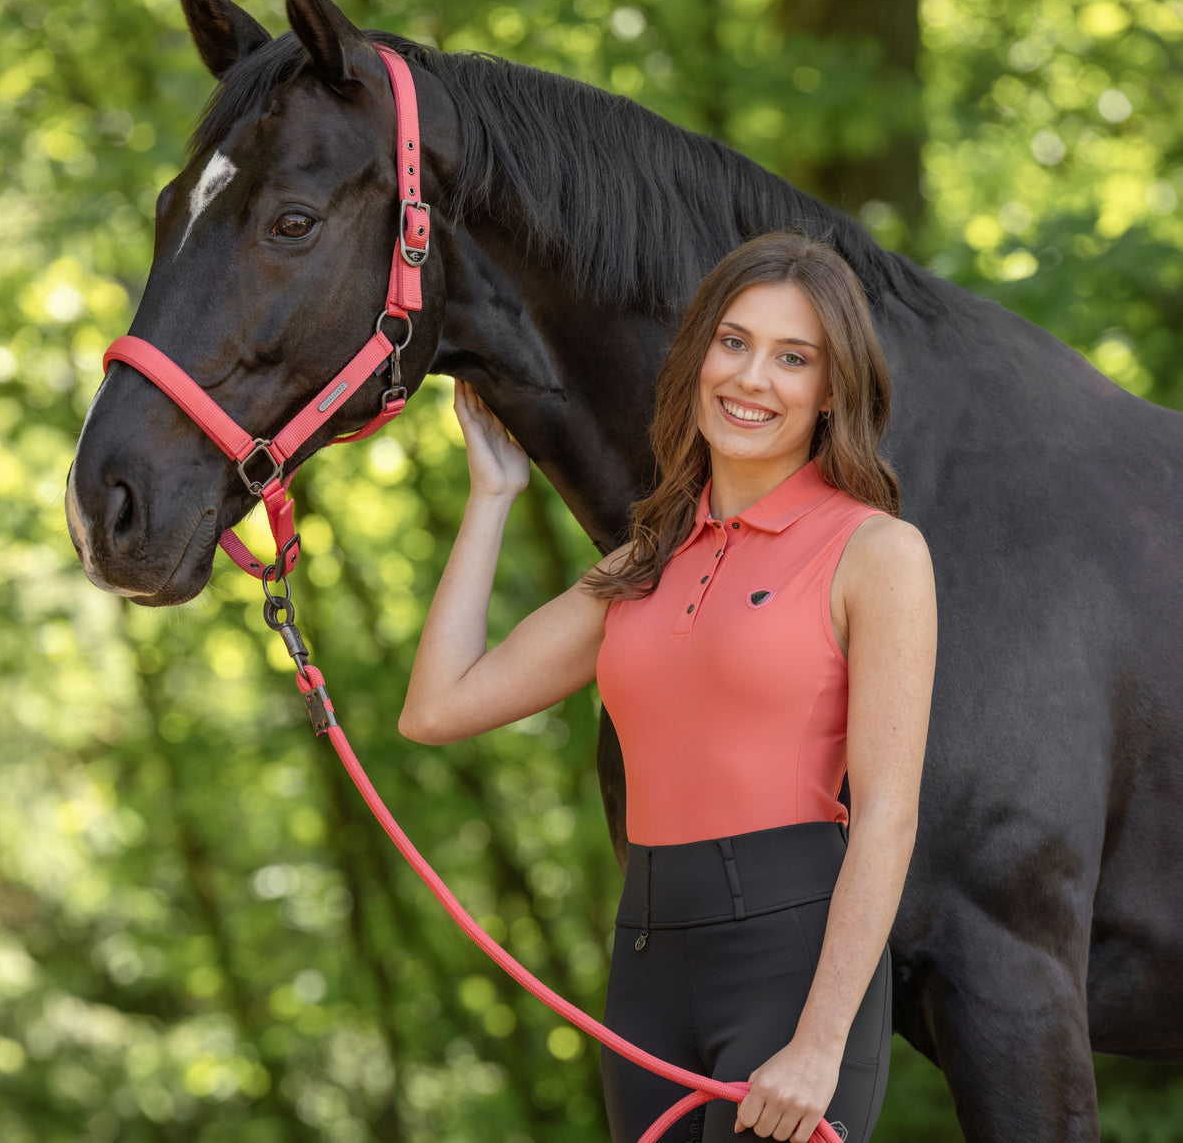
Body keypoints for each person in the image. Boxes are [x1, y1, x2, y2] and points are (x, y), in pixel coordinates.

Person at [398, 231, 936, 1143]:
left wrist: (822, 1042)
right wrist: (492, 498)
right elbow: (437, 707)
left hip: (791, 960)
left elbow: (888, 812)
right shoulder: (643, 564)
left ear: (831, 391)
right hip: (646, 958)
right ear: (695, 359)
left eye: (792, 358)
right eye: (733, 343)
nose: (752, 379)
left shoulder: (874, 552)